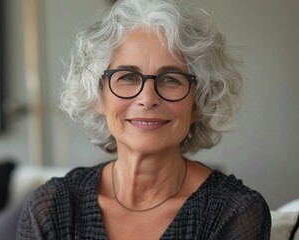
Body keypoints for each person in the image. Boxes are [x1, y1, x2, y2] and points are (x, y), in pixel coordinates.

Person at [17, 0, 271, 239]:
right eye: (127, 77)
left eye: (171, 78)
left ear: (198, 103)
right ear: (98, 97)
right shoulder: (50, 207)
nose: (147, 99)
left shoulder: (235, 211)